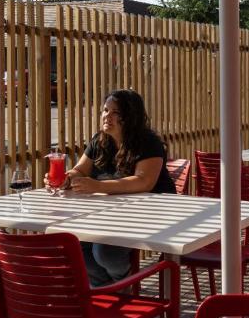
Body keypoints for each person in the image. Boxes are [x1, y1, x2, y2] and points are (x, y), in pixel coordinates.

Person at [65, 88, 175, 286]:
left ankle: (124, 281)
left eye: (115, 112)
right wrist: (67, 179)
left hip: (150, 212)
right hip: (110, 213)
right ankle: (107, 289)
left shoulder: (148, 142)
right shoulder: (99, 140)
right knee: (77, 245)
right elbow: (80, 170)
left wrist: (98, 185)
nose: (107, 116)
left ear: (130, 116)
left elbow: (144, 181)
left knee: (105, 251)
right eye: (105, 110)